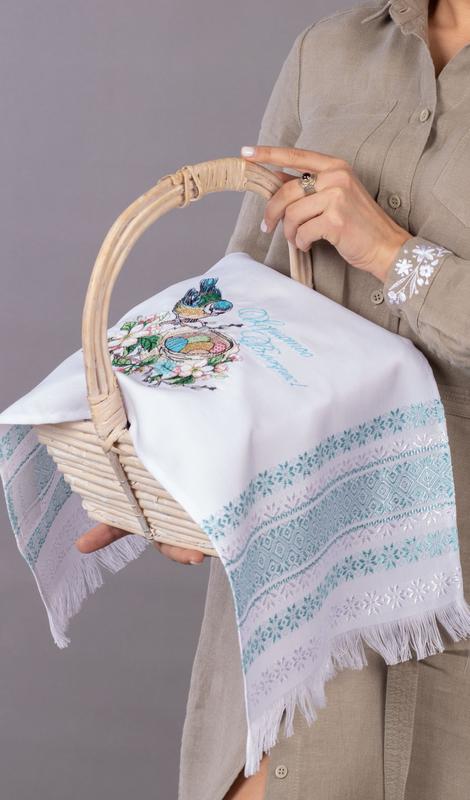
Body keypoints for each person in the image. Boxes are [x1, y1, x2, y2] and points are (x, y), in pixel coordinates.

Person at [75, 0, 470, 797]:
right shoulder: (327, 52)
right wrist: (163, 463)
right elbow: (246, 301)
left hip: (446, 602)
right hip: (291, 592)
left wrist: (391, 252)